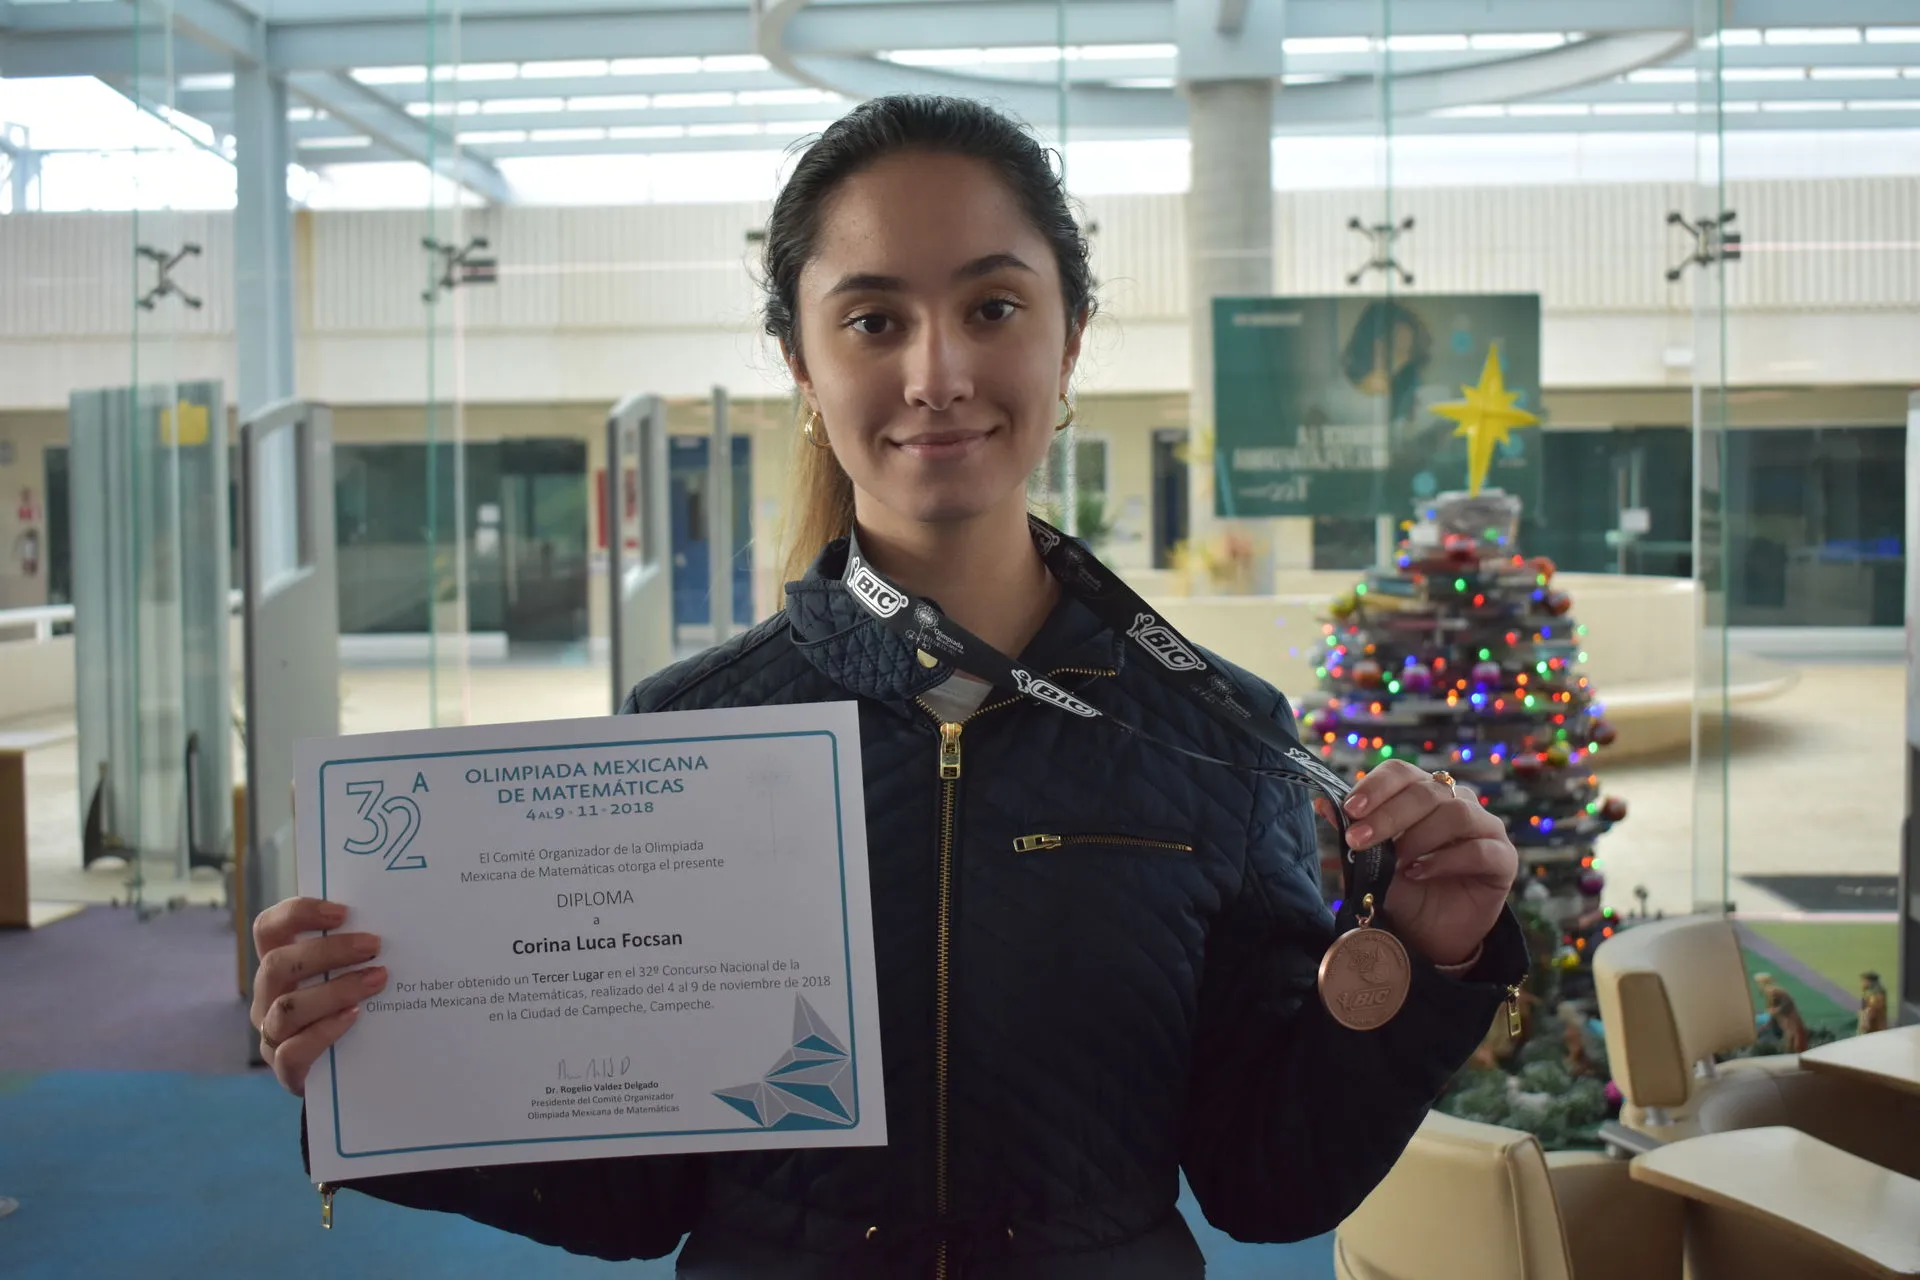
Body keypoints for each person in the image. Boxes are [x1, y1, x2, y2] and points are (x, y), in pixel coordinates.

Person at [249, 94, 1526, 1278]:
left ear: (1069, 338)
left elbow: (1264, 1178)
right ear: (802, 365)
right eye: (872, 320)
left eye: (992, 308)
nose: (936, 374)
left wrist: (1418, 959)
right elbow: (636, 1189)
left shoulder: (1218, 734)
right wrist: (371, 1071)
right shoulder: (689, 734)